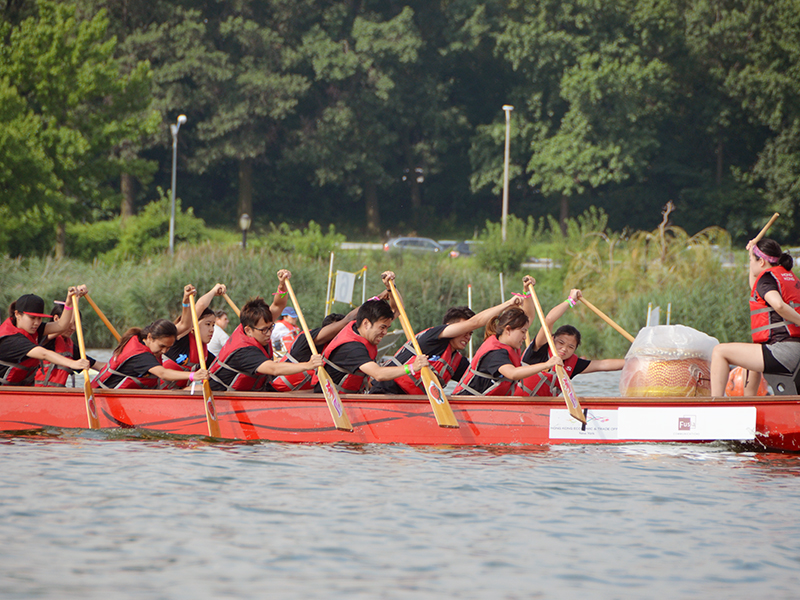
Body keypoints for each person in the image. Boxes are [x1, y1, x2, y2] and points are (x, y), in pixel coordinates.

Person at [369, 294, 526, 395]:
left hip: (412, 404)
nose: (468, 336)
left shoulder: (457, 361)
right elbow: (475, 323)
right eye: (464, 331)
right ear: (450, 326)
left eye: (470, 334)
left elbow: (478, 380)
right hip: (384, 392)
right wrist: (508, 304)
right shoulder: (433, 337)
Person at [710, 238, 800, 396]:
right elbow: (755, 286)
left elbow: (778, 305)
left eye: (751, 260)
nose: (750, 264)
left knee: (719, 351)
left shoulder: (767, 280)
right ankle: (750, 402)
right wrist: (752, 250)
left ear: (762, 262)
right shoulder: (788, 278)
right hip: (794, 349)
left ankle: (714, 405)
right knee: (750, 357)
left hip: (783, 351)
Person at [312, 272, 429, 394]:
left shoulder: (361, 328)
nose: (384, 332)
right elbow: (378, 374)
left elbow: (398, 309)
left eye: (387, 328)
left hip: (351, 397)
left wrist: (391, 288)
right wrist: (411, 367)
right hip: (329, 400)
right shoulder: (352, 348)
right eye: (382, 327)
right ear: (366, 324)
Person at [515, 288, 625, 396]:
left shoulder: (573, 363)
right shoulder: (539, 348)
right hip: (517, 402)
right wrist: (570, 300)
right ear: (552, 339)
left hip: (544, 409)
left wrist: (633, 362)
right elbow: (549, 320)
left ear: (575, 349)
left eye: (571, 347)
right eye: (561, 343)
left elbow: (603, 365)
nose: (564, 349)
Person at [208, 295, 322, 392]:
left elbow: (278, 305)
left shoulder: (256, 323)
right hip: (221, 397)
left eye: (271, 327)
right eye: (264, 330)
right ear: (248, 330)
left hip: (248, 394)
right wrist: (308, 365)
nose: (268, 334)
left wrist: (282, 287)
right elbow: (274, 369)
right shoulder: (244, 351)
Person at [454, 302, 562, 396]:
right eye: (523, 332)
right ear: (508, 330)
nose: (524, 337)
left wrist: (527, 292)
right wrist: (547, 364)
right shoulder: (495, 353)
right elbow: (513, 373)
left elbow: (529, 316)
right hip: (467, 404)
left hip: (486, 406)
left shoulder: (506, 344)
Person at [0, 289, 90, 386]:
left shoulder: (32, 329)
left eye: (39, 318)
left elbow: (61, 325)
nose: (36, 323)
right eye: (32, 318)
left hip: (18, 391)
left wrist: (69, 303)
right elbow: (44, 354)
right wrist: (72, 364)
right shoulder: (10, 339)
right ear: (17, 314)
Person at [93, 319, 209, 389]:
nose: (164, 351)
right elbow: (163, 373)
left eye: (168, 347)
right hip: (104, 395)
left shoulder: (141, 339)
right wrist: (193, 376)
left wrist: (186, 302)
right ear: (149, 337)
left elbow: (184, 325)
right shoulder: (141, 356)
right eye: (162, 346)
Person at [272, 306, 359, 392]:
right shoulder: (306, 339)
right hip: (274, 392)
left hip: (298, 397)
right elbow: (348, 319)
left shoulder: (334, 352)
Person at [161, 283, 226, 387]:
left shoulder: (205, 356)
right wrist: (213, 291)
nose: (212, 330)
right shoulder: (179, 339)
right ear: (193, 326)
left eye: (213, 325)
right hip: (157, 393)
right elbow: (200, 305)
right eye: (208, 324)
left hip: (177, 395)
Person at [34, 302, 106, 387]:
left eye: (77, 324)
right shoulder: (43, 338)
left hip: (56, 394)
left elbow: (98, 366)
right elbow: (60, 328)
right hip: (36, 392)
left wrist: (120, 364)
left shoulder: (71, 348)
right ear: (56, 319)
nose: (74, 328)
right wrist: (75, 301)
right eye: (71, 323)